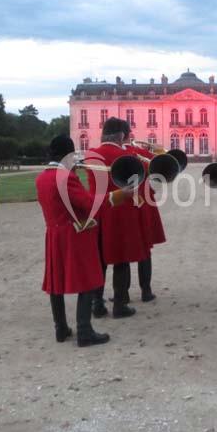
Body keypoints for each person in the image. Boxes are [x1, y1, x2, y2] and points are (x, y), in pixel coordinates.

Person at [35, 135, 109, 347]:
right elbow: (87, 205)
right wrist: (112, 196)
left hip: (54, 233)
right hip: (73, 234)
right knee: (88, 280)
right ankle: (84, 331)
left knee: (55, 282)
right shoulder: (65, 177)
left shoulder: (42, 177)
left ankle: (61, 328)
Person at [86, 118, 152, 318]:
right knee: (121, 261)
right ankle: (120, 304)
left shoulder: (91, 155)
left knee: (99, 261)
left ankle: (97, 303)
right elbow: (146, 176)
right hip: (121, 212)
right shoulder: (128, 155)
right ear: (122, 135)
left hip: (97, 211)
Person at [124, 140, 165, 303]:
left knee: (124, 251)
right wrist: (158, 149)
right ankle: (146, 291)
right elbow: (161, 165)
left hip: (122, 205)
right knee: (145, 248)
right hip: (143, 203)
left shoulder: (110, 154)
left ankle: (122, 293)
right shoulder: (137, 152)